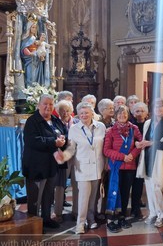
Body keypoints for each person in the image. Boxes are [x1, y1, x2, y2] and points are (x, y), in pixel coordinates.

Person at [54, 102, 106, 234]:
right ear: (78, 114)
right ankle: (80, 224)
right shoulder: (75, 129)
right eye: (81, 113)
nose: (84, 115)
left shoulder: (101, 126)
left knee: (94, 197)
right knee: (83, 196)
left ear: (92, 113)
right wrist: (64, 156)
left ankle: (91, 219)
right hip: (82, 167)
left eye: (86, 112)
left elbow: (105, 146)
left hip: (97, 166)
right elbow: (71, 149)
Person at [22, 94, 67, 228]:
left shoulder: (55, 120)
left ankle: (46, 219)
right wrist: (54, 142)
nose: (48, 107)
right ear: (38, 105)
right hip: (36, 166)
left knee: (48, 195)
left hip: (51, 165)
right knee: (35, 199)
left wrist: (63, 140)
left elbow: (63, 132)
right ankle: (33, 225)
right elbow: (33, 141)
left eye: (51, 104)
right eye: (45, 104)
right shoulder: (32, 121)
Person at [136, 98, 163, 228]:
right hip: (147, 156)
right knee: (149, 187)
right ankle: (152, 213)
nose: (158, 109)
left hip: (160, 157)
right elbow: (144, 139)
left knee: (157, 187)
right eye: (156, 107)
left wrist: (151, 143)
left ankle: (160, 215)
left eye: (161, 107)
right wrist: (140, 143)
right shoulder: (148, 123)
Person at [103, 105, 142, 232]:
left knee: (125, 193)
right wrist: (123, 156)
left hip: (130, 166)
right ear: (115, 116)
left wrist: (132, 155)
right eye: (119, 114)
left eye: (124, 114)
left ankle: (122, 216)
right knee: (115, 191)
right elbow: (106, 150)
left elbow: (140, 144)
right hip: (115, 167)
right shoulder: (110, 131)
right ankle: (110, 219)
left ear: (128, 115)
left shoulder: (134, 128)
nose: (122, 116)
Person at [53, 100, 78, 223]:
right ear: (58, 112)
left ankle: (76, 211)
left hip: (77, 158)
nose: (65, 113)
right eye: (62, 111)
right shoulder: (55, 124)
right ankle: (58, 213)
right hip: (63, 158)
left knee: (76, 185)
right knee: (60, 186)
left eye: (67, 110)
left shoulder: (77, 122)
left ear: (71, 111)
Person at [130, 102, 149, 219]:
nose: (140, 114)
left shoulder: (149, 124)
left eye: (142, 111)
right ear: (133, 113)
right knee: (129, 184)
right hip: (132, 157)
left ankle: (136, 208)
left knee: (138, 184)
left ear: (146, 113)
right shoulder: (130, 125)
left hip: (144, 157)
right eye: (137, 111)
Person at [20, 20, 40, 87]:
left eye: (35, 27)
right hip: (29, 61)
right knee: (30, 77)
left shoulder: (35, 39)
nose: (34, 29)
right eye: (33, 27)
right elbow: (23, 49)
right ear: (29, 28)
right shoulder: (26, 39)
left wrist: (40, 54)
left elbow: (38, 49)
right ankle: (29, 91)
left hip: (36, 61)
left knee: (35, 77)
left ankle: (34, 91)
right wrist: (29, 53)